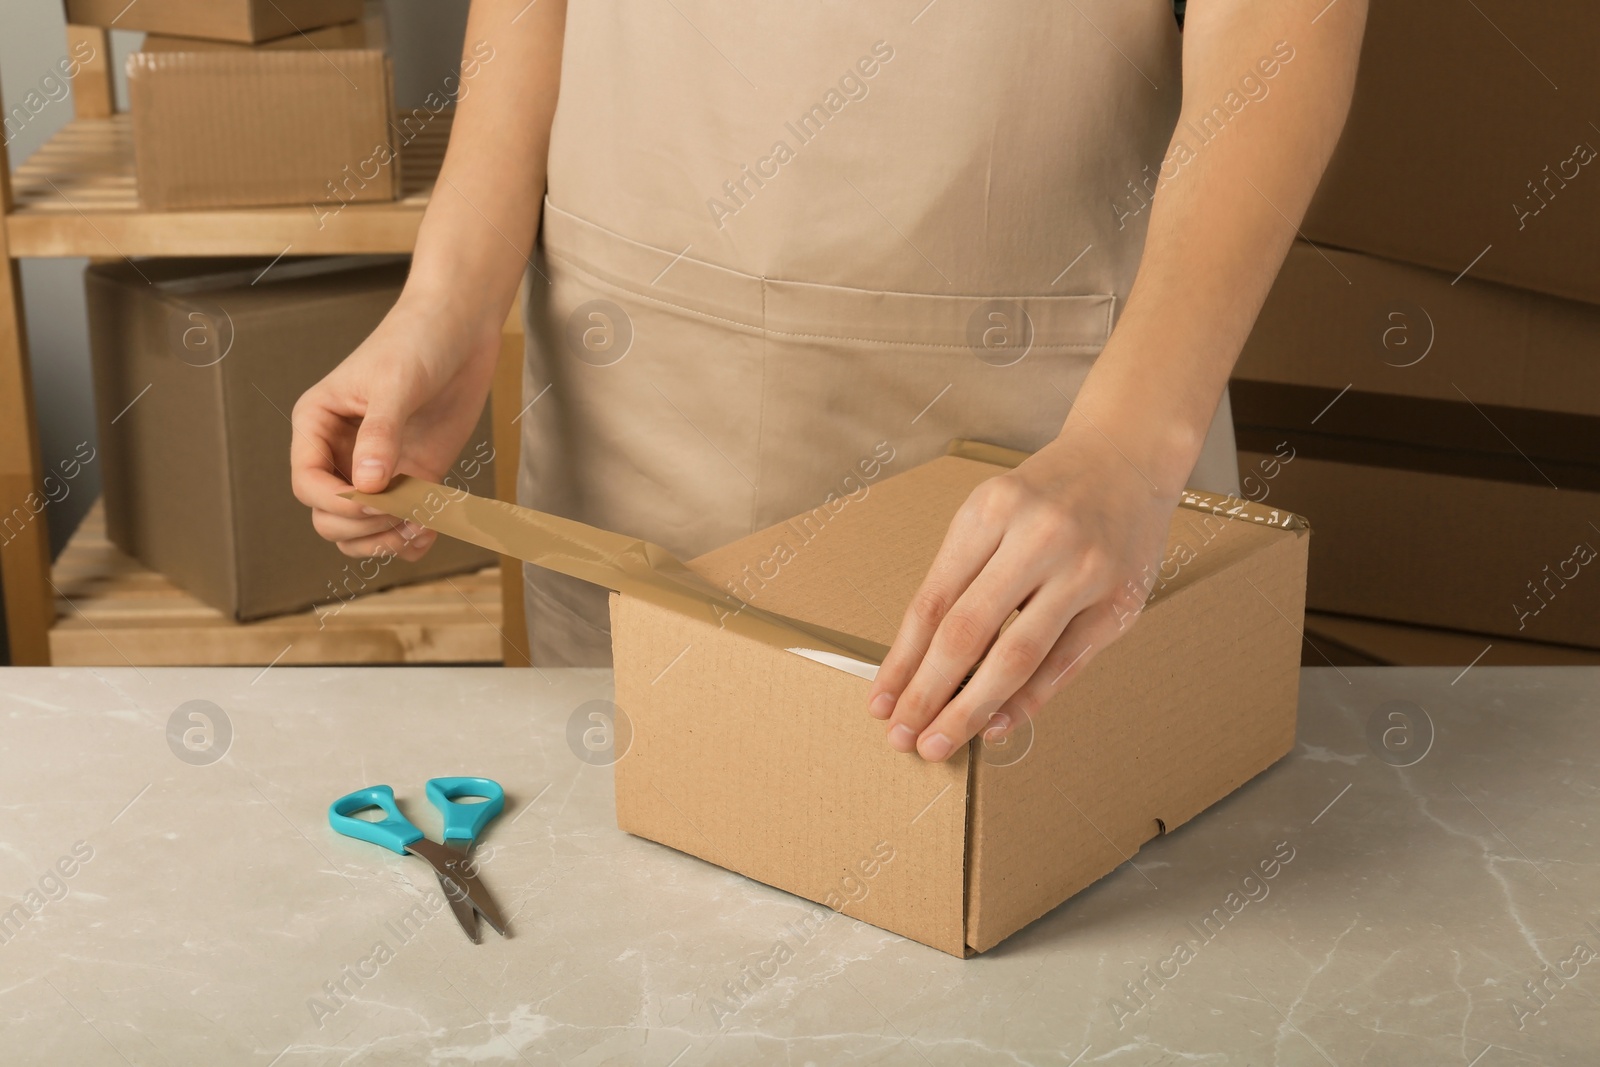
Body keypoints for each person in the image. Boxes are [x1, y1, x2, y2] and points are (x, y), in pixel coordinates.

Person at [292, 0, 1367, 763]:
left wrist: (1128, 449)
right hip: (639, 399)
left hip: (1038, 436)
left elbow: (1283, 22)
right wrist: (450, 299)